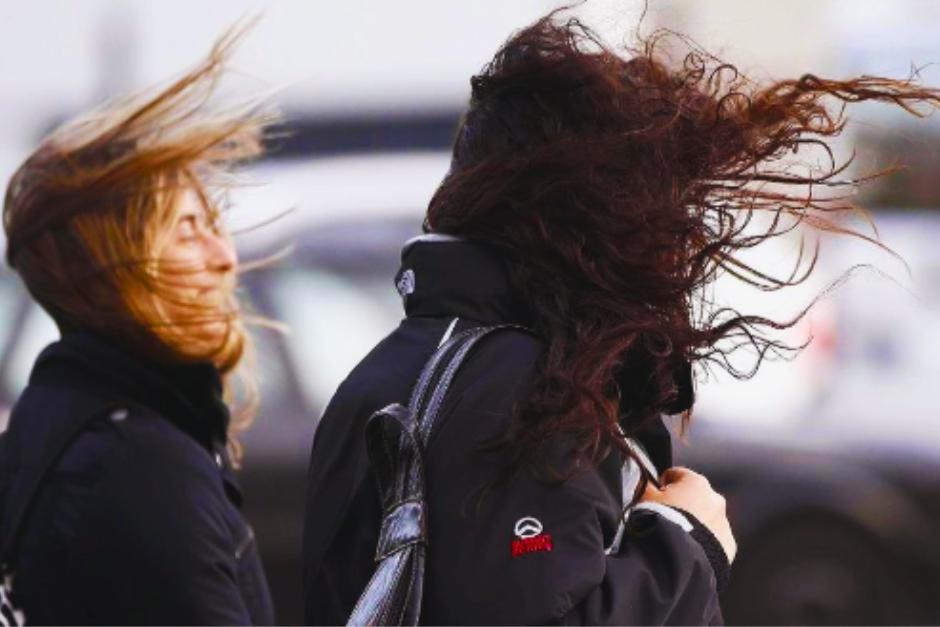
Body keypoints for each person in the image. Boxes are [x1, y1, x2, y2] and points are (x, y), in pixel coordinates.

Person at [302, 11, 940, 626]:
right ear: (590, 214)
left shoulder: (394, 366)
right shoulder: (520, 385)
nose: (680, 237)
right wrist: (684, 539)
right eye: (657, 205)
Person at [0, 26, 276, 625]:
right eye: (185, 230)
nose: (224, 255)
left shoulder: (53, 416)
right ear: (109, 267)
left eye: (213, 222)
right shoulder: (143, 466)